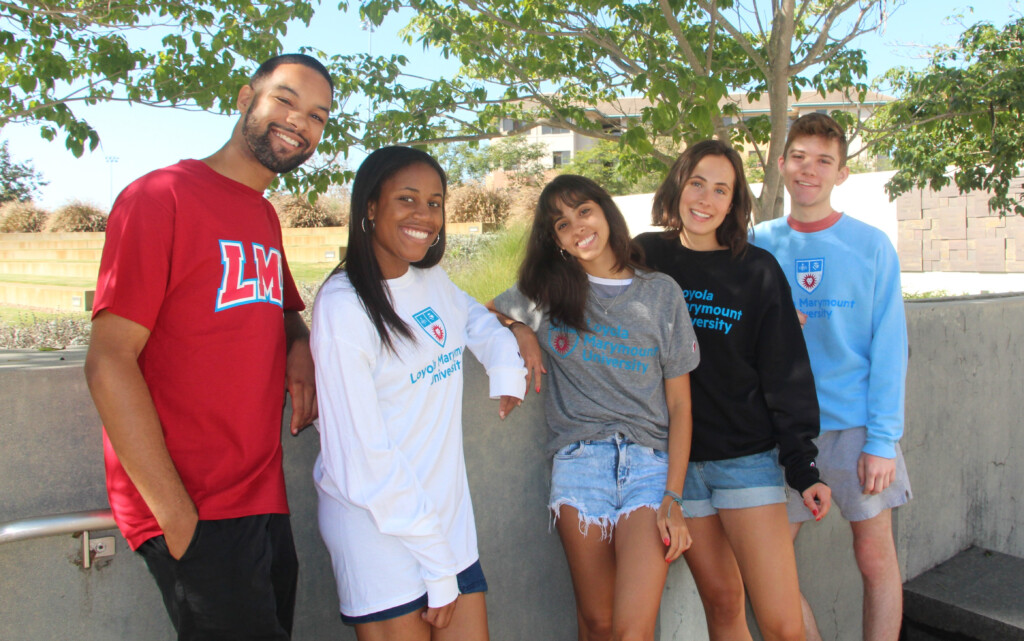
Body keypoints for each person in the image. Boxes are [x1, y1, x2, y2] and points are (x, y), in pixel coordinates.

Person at [83, 54, 332, 639]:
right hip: (194, 506)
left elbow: (279, 312)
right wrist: (177, 521)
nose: (301, 122)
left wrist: (298, 343)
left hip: (259, 496)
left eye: (318, 116)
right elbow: (108, 360)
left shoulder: (263, 216)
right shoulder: (160, 196)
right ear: (246, 99)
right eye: (286, 101)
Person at [311, 146, 526, 641]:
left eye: (434, 202)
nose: (424, 216)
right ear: (369, 207)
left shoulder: (430, 278)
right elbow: (363, 462)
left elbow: (475, 317)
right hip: (380, 534)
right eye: (407, 199)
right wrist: (434, 562)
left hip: (449, 524)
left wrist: (507, 368)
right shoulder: (344, 306)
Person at [634, 139, 831, 641]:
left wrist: (803, 465)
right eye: (697, 182)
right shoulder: (646, 255)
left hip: (746, 460)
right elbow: (577, 279)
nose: (705, 198)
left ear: (733, 201)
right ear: (678, 183)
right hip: (679, 467)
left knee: (782, 623)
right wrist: (519, 325)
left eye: (720, 189)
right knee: (723, 606)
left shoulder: (758, 270)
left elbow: (785, 370)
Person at [489, 174, 699, 641]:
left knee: (631, 629)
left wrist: (674, 495)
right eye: (561, 224)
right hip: (579, 464)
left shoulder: (662, 293)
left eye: (584, 211)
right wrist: (521, 329)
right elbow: (480, 313)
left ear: (605, 211)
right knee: (598, 623)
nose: (577, 227)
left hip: (649, 468)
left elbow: (681, 405)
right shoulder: (545, 292)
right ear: (556, 241)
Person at [751, 113, 912, 641]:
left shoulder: (870, 245)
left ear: (841, 173)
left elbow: (890, 348)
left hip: (857, 430)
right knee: (768, 570)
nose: (809, 169)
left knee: (874, 558)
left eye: (824, 160)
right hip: (781, 432)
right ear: (782, 163)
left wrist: (884, 440)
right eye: (799, 157)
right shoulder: (757, 244)